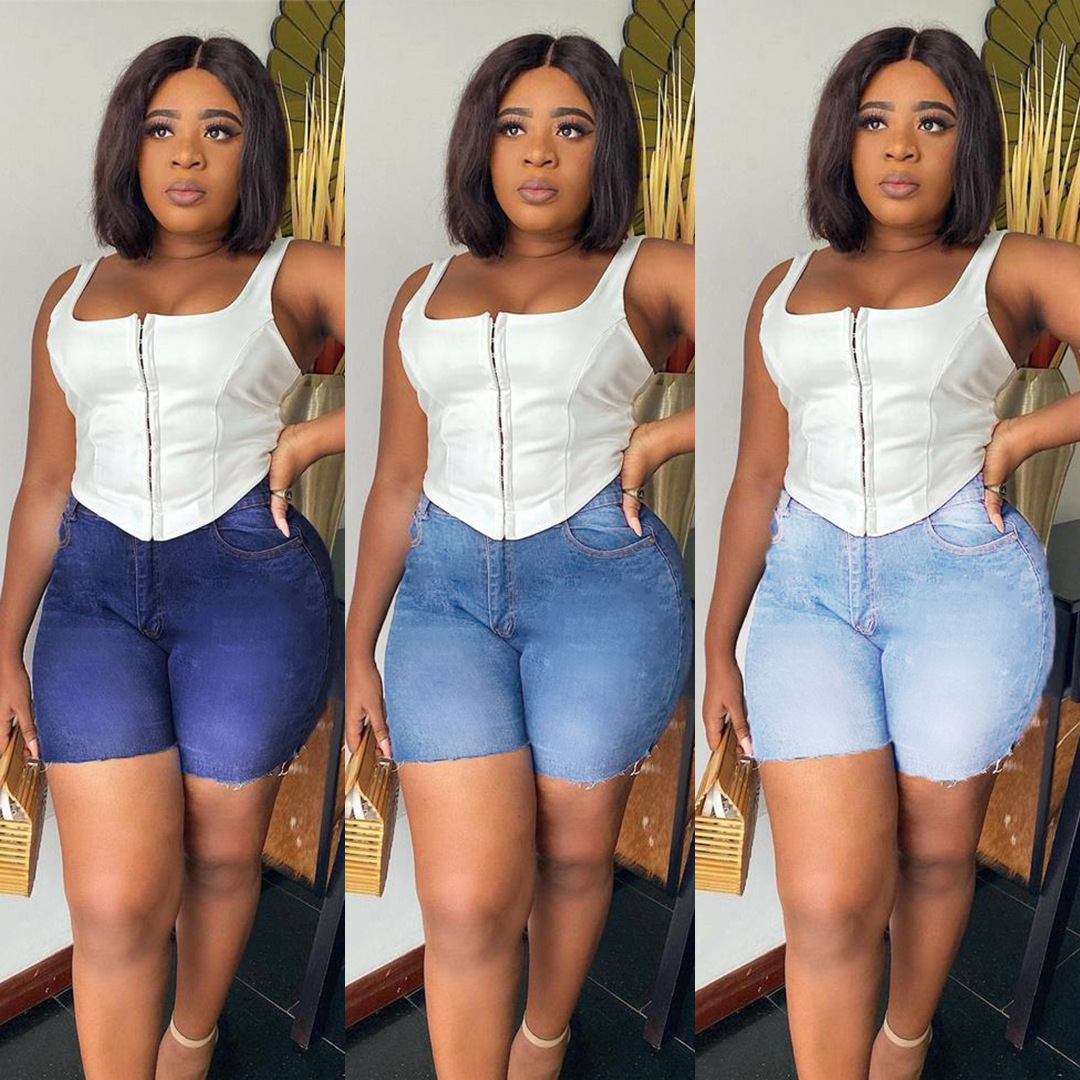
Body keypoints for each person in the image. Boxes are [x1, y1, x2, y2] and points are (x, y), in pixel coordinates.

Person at [703, 25, 1080, 1080]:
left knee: (935, 850)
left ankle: (904, 1039)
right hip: (806, 592)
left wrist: (1024, 435)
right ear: (843, 137)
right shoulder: (782, 285)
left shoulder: (1007, 265)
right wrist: (718, 645)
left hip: (961, 584)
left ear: (970, 142)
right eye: (875, 120)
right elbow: (756, 477)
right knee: (826, 903)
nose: (901, 145)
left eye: (933, 121)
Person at [346, 33, 694, 1080]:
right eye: (514, 126)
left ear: (606, 148)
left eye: (570, 128)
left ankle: (542, 1040)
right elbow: (396, 480)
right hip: (445, 594)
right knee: (463, 904)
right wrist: (357, 648)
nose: (539, 152)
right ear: (481, 145)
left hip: (601, 586)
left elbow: (797, 374)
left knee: (576, 852)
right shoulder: (419, 291)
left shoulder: (649, 271)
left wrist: (663, 439)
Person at [0, 36, 344, 1080]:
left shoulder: (296, 271)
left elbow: (450, 365)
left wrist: (311, 440)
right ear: (130, 145)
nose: (187, 154)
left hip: (250, 589)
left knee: (222, 853)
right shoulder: (69, 292)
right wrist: (3, 646)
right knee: (112, 904)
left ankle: (190, 1040)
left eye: (218, 130)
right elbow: (46, 481)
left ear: (254, 150)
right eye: (162, 128)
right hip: (94, 595)